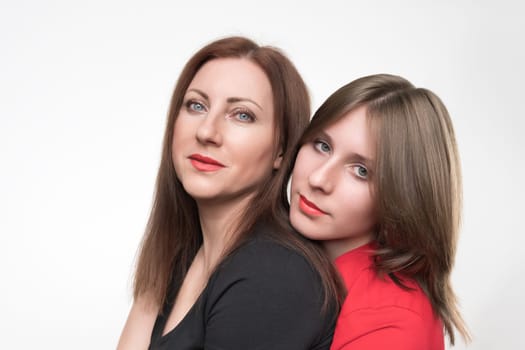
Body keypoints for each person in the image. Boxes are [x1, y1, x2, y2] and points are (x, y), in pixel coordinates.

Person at [117, 36, 344, 350]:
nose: (206, 131)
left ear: (281, 150)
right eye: (196, 105)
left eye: (242, 115)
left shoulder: (272, 274)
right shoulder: (185, 253)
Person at [289, 74, 471, 349]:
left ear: (402, 195)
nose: (318, 179)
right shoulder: (293, 263)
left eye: (361, 171)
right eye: (322, 146)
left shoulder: (391, 317)